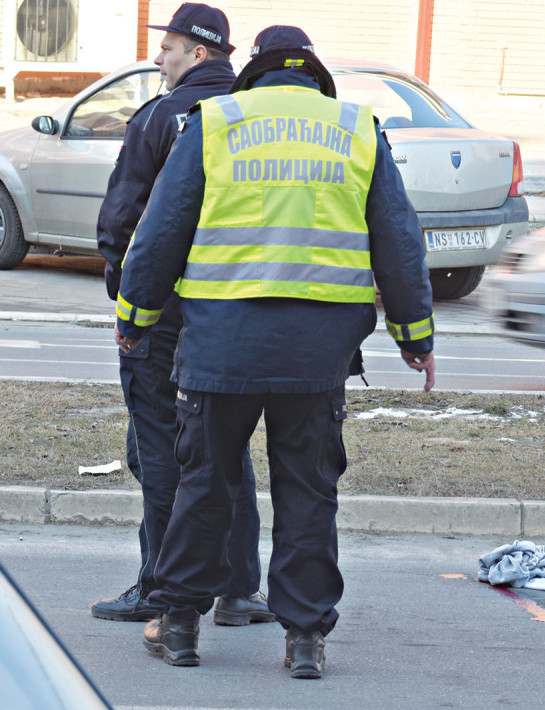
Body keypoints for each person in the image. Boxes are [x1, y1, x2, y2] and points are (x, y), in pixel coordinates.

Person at [114, 25, 436, 678]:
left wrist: (135, 315)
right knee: (308, 494)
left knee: (204, 487)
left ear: (253, 72)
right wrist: (415, 335)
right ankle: (305, 639)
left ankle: (178, 626)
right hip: (315, 359)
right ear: (314, 75)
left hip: (219, 350)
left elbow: (162, 228)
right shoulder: (355, 127)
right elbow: (398, 240)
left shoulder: (217, 121)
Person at [92, 2, 273, 627]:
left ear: (200, 53)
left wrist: (127, 298)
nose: (157, 57)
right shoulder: (254, 119)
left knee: (161, 451)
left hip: (160, 311)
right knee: (228, 449)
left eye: (167, 47)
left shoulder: (166, 116)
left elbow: (124, 222)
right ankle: (239, 590)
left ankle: (163, 590)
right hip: (229, 315)